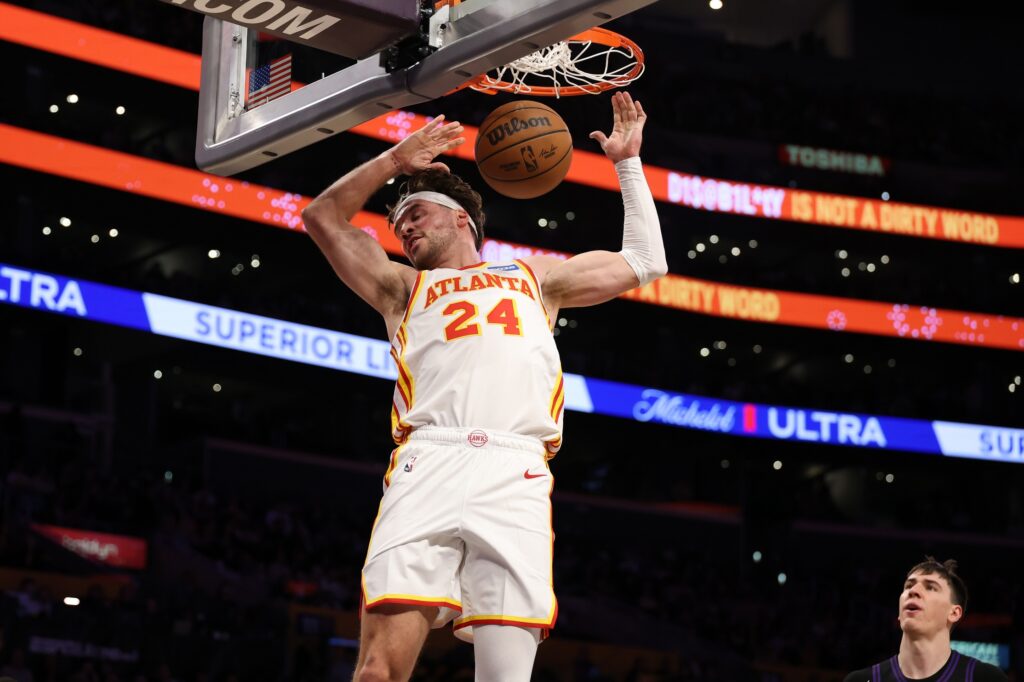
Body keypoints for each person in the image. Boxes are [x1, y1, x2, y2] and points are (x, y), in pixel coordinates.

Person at [301, 91, 666, 681]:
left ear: (460, 218)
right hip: (429, 460)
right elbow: (321, 216)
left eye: (415, 214)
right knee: (377, 672)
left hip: (514, 467)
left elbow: (646, 260)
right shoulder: (399, 287)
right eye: (397, 224)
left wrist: (627, 162)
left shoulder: (535, 278)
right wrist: (396, 161)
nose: (404, 229)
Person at [843, 557, 1008, 682]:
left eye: (930, 587)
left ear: (954, 613)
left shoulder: (985, 678)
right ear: (900, 614)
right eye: (909, 586)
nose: (913, 591)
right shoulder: (861, 680)